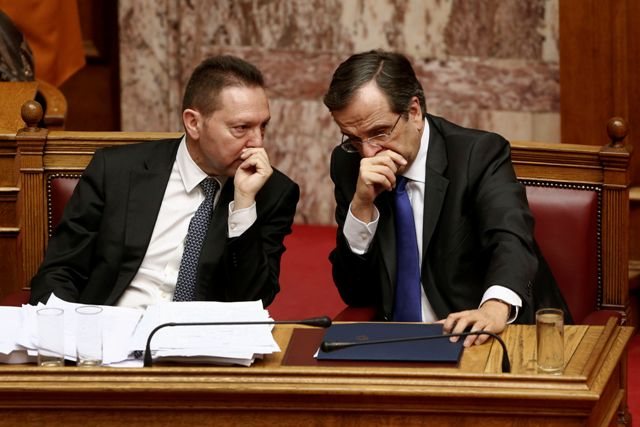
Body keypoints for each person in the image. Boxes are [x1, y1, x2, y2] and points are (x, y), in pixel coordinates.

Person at [324, 50, 571, 346]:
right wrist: (362, 207)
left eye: (379, 133)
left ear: (414, 111)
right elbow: (355, 293)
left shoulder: (477, 155)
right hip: (397, 345)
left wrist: (494, 308)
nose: (368, 152)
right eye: (353, 138)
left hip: (478, 336)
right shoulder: (349, 164)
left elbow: (511, 239)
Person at [29, 55, 300, 309]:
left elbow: (252, 302)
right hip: (111, 329)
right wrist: (69, 330)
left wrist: (243, 205)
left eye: (263, 126)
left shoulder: (272, 192)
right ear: (193, 123)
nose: (257, 142)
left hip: (199, 338)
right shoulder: (117, 171)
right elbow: (61, 270)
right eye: (241, 128)